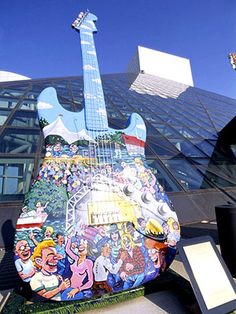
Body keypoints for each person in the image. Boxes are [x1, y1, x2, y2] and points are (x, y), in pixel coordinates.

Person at [61, 235, 93, 300]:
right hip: (69, 287)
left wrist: (78, 289)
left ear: (88, 249)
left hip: (78, 290)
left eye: (84, 243)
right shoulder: (76, 258)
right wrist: (69, 239)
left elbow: (90, 281)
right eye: (80, 244)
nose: (81, 245)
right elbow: (67, 250)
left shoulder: (88, 262)